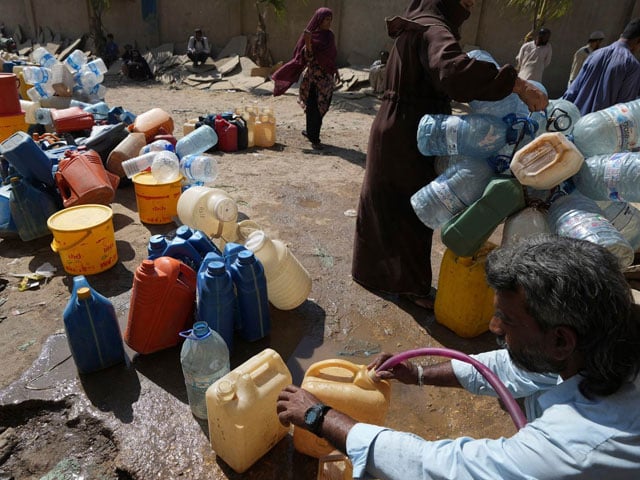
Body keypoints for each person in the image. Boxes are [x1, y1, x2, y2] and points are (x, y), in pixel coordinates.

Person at [278, 234, 640, 479]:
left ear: (561, 340)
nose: (494, 328)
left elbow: (438, 468)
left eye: (508, 320)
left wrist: (319, 415)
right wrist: (418, 374)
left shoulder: (579, 446)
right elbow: (506, 369)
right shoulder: (603, 341)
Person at [351, 0, 547, 309]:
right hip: (414, 130)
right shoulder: (434, 28)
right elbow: (453, 71)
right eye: (465, 1)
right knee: (413, 208)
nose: (468, 7)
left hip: (393, 123)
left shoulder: (415, 24)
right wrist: (517, 85)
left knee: (383, 199)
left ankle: (370, 272)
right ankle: (412, 287)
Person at [271, 7, 339, 150]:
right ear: (319, 20)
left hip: (326, 80)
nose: (329, 22)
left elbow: (332, 56)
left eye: (330, 19)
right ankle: (314, 137)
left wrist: (334, 69)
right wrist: (308, 44)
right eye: (326, 19)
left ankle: (311, 132)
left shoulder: (330, 36)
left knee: (322, 107)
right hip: (313, 79)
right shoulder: (311, 36)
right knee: (314, 108)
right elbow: (306, 58)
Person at [563, 18, 640, 115]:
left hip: (575, 122)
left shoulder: (595, 54)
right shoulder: (632, 66)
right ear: (638, 40)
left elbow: (571, 93)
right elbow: (623, 110)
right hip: (601, 128)